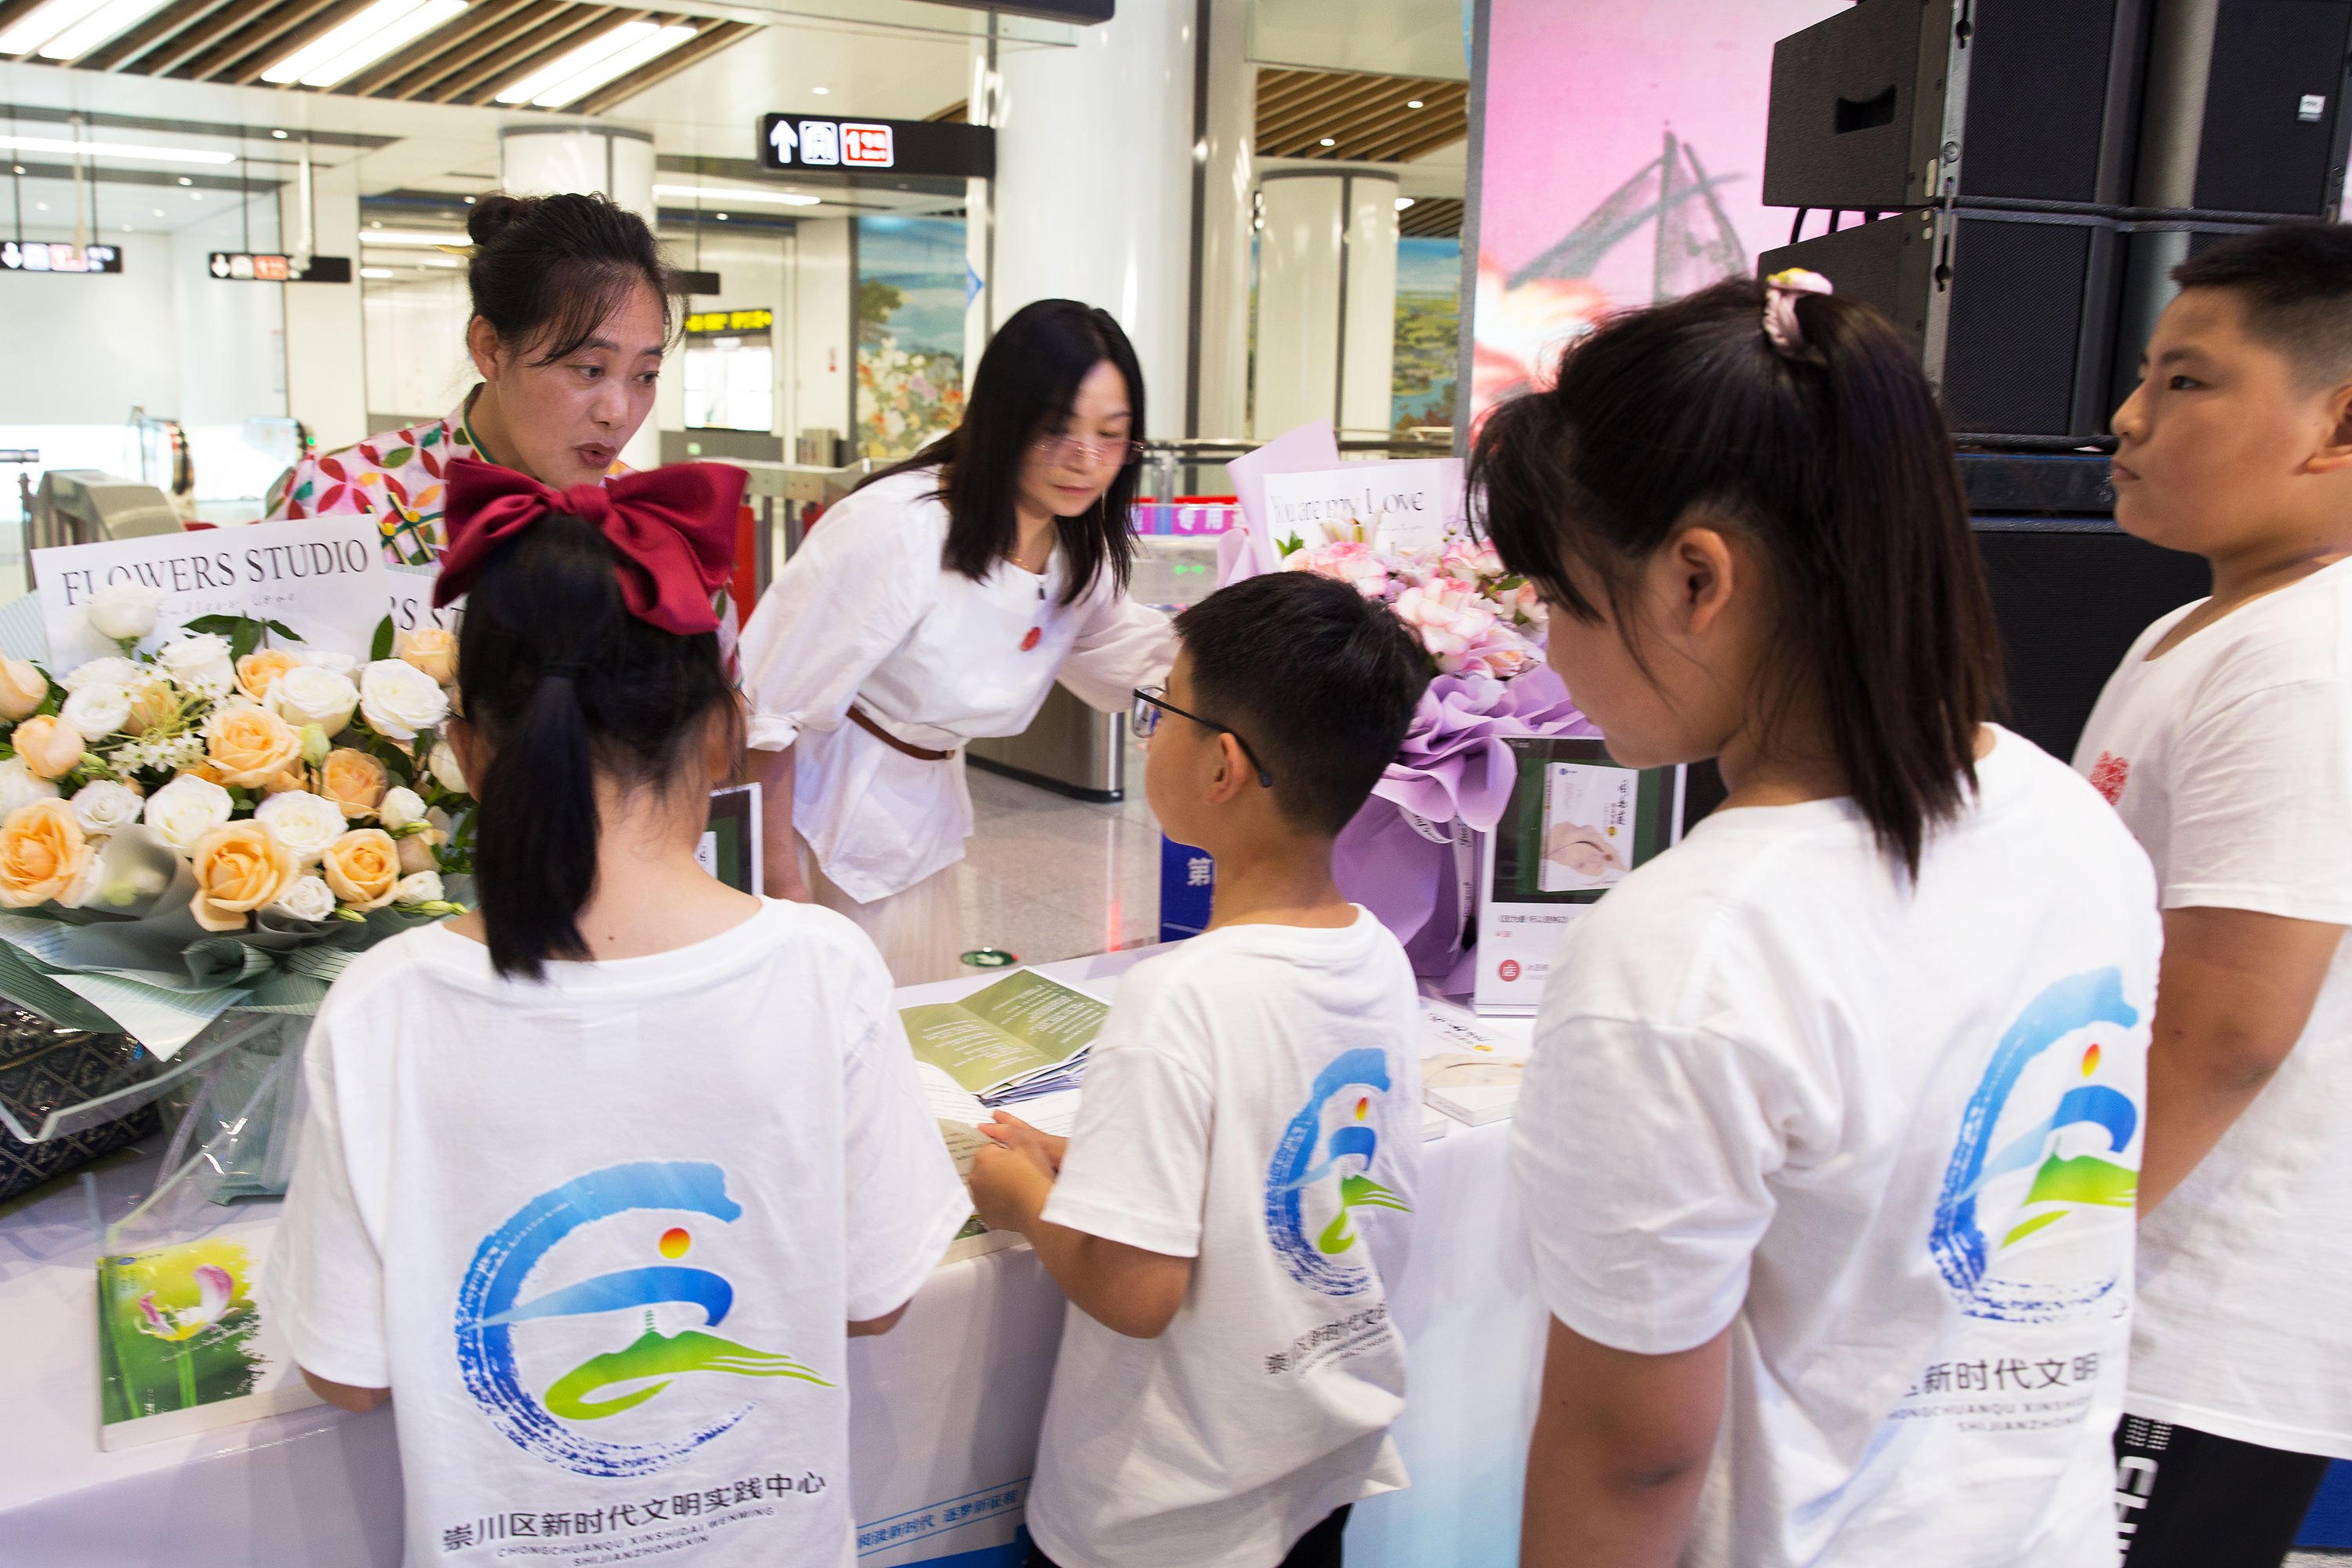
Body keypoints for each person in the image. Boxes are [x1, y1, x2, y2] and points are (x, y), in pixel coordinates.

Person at [1485, 274, 2164, 1567]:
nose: (1552, 654)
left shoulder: (1685, 951)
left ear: (1697, 578)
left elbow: (1632, 1453)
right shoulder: (2067, 818)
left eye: (1562, 598)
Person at [267, 458, 968, 1567]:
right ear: (723, 733)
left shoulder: (381, 1007)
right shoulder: (821, 969)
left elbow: (345, 1373)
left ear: (465, 753)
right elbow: (877, 1297)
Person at [966, 571, 1430, 1568]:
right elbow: (1284, 1161)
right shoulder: (1376, 954)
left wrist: (1022, 1199)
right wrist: (1096, 1160)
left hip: (1164, 1513)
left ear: (1223, 764)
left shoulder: (1179, 995)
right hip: (1319, 1462)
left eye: (1161, 709)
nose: (1147, 737)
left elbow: (1136, 1292)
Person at [2074, 222, 2352, 1568]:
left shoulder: (2309, 656)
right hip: (2133, 1273)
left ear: (2338, 423)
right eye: (2145, 375)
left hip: (2197, 1309)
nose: (2130, 417)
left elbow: (2229, 1026)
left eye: (2187, 382)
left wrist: (2041, 1259)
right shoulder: (2201, 628)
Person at [739, 299, 1178, 985]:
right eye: (1057, 430)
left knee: (911, 1011)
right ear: (1003, 418)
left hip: (920, 822)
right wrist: (779, 891)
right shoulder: (896, 527)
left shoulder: (1071, 547)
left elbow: (1135, 657)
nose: (1087, 461)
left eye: (1112, 436)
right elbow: (765, 712)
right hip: (817, 827)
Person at [264, 191, 662, 564]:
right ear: (490, 348)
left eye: (645, 376)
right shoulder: (341, 498)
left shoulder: (652, 522)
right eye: (590, 370)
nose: (618, 414)